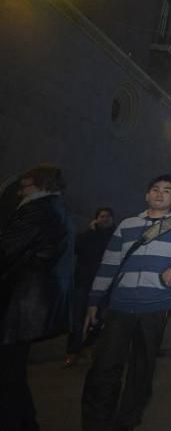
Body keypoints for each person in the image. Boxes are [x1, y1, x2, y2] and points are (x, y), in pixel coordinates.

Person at [81, 174, 171, 431]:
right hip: (119, 305)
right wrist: (94, 301)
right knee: (104, 368)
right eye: (155, 189)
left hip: (154, 307)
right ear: (147, 194)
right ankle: (96, 423)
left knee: (142, 369)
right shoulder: (127, 225)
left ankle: (126, 422)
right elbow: (109, 263)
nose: (160, 194)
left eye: (167, 191)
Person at [0, 164, 74, 431]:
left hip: (20, 303)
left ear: (42, 185)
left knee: (8, 375)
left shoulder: (37, 210)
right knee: (12, 375)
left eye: (25, 186)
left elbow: (6, 249)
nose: (21, 192)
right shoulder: (56, 209)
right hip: (29, 304)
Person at [66, 207, 116, 366]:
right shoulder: (87, 236)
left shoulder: (116, 237)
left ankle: (88, 345)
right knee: (77, 318)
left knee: (99, 318)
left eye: (108, 216)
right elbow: (74, 248)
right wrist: (89, 232)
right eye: (102, 216)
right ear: (96, 219)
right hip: (84, 282)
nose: (105, 219)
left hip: (105, 285)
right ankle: (73, 351)